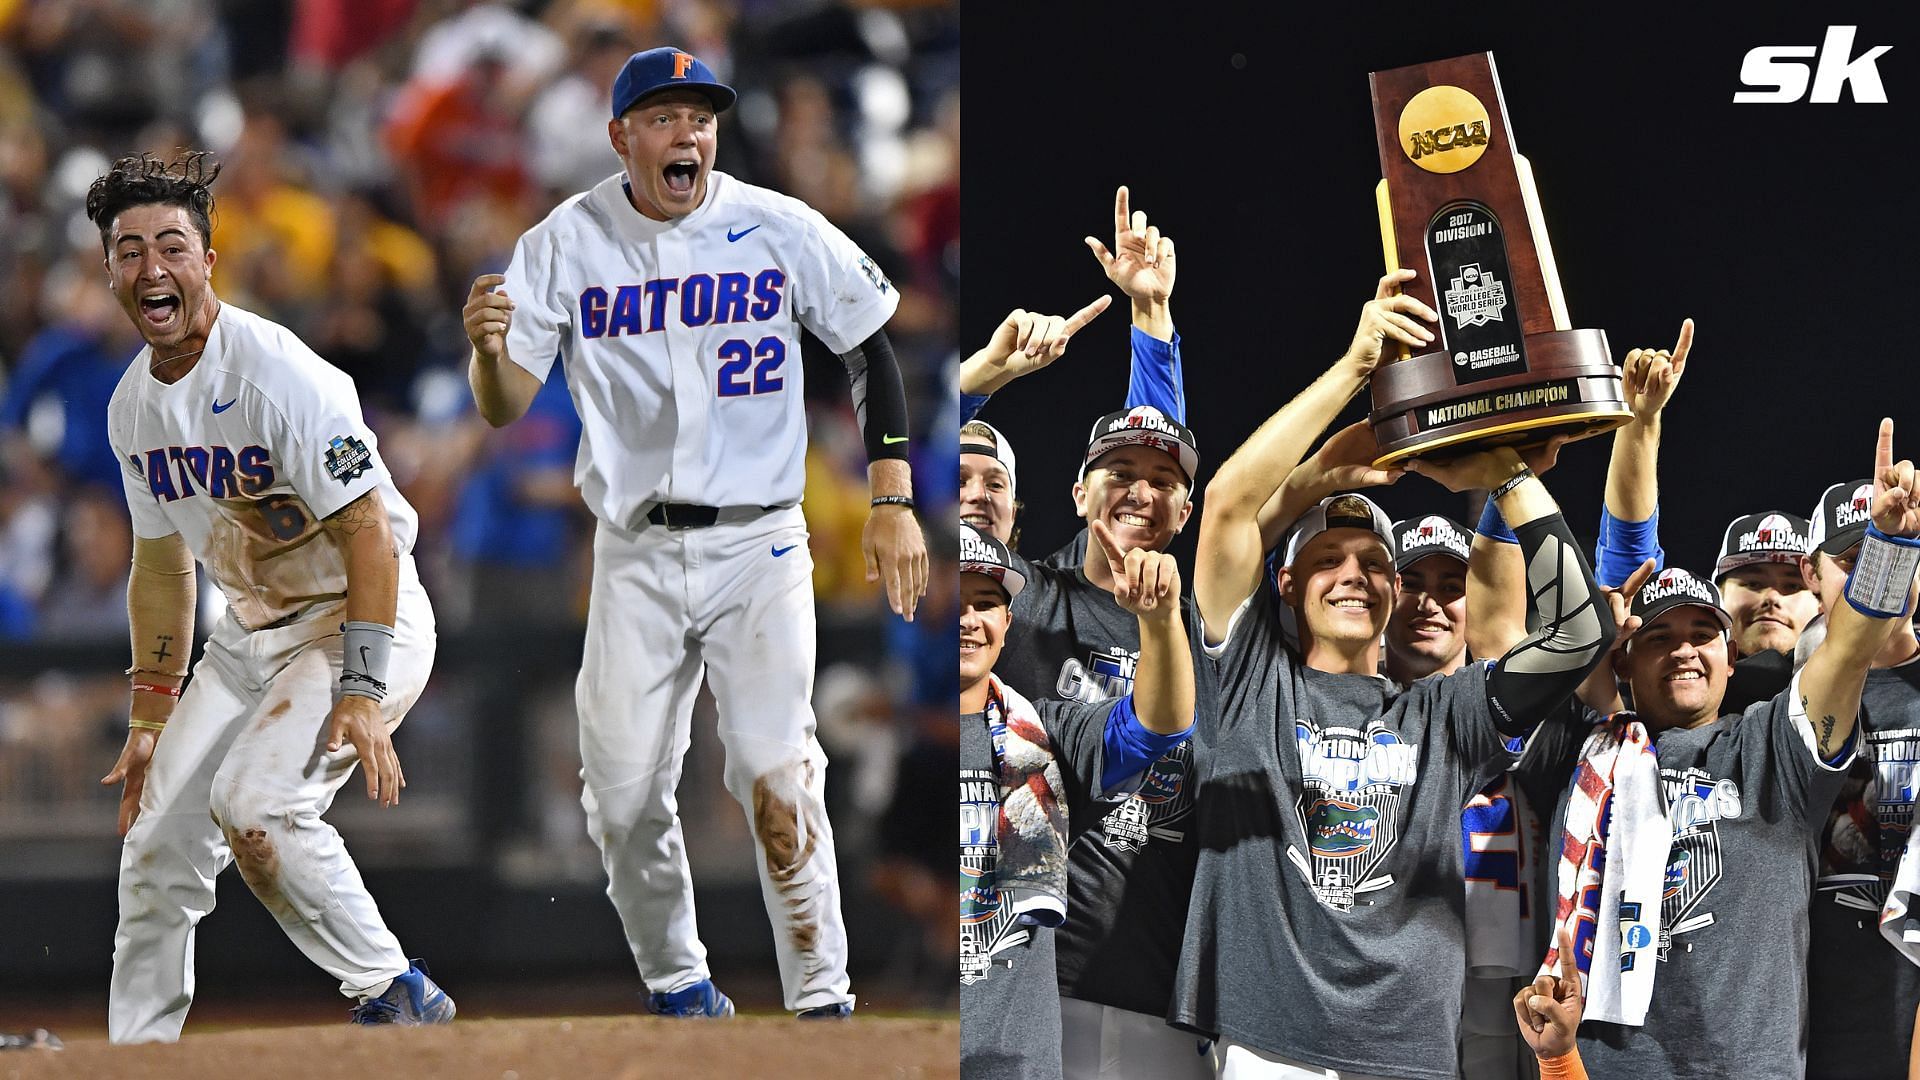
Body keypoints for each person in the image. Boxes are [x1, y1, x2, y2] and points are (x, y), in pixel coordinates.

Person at [461, 45, 928, 1018]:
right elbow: (506, 405)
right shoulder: (563, 242)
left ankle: (823, 1001)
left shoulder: (772, 223)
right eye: (667, 118)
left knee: (773, 768)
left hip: (759, 543)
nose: (690, 135)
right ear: (621, 136)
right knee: (621, 798)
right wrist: (485, 353)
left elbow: (869, 345)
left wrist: (890, 495)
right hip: (633, 551)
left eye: (702, 118)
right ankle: (681, 987)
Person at [1173, 269, 1617, 1079]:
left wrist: (1510, 478)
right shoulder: (1243, 679)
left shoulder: (1446, 715)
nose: (1351, 575)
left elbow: (1582, 633)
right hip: (1274, 1049)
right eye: (1326, 560)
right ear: (1286, 583)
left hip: (1409, 1050)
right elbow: (1231, 504)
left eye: (1373, 562)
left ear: (1396, 589)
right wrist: (1355, 368)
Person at [89, 152, 451, 1043]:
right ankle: (137, 1055)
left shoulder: (278, 373)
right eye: (128, 250)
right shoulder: (131, 407)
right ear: (109, 272)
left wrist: (363, 689)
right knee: (156, 849)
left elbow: (369, 531)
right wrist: (149, 717)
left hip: (361, 617)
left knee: (256, 807)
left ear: (208, 261)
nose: (151, 268)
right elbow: (163, 565)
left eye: (171, 246)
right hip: (248, 638)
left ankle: (395, 989)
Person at [1554, 421, 1920, 1080]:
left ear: (1733, 658)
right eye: (1661, 636)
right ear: (1624, 660)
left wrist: (1889, 548)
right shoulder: (1584, 749)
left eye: (1703, 634)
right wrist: (1633, 427)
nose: (1686, 648)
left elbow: (1848, 648)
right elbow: (1609, 569)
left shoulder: (1772, 741)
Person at [960, 521, 1196, 1080]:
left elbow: (1153, 729)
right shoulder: (906, 739)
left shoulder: (1044, 730)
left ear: (1008, 623)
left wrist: (1160, 623)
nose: (968, 619)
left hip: (1017, 1060)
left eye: (986, 602)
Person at [1800, 476, 1920, 1080]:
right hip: (1804, 1020)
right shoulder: (1765, 689)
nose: (1885, 574)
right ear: (1809, 575)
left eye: (1901, 553)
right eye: (1858, 560)